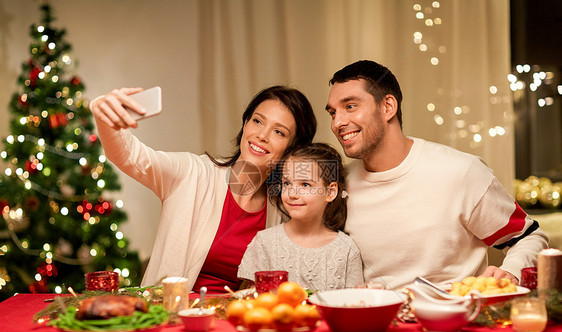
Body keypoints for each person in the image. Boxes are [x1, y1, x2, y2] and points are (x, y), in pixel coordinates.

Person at [324, 60, 549, 289]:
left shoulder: (461, 172)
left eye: (350, 106)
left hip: (454, 318)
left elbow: (529, 237)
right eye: (333, 113)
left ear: (388, 107)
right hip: (373, 318)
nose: (337, 122)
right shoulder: (337, 184)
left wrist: (510, 272)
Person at [90, 85, 317, 293]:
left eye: (279, 132)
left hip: (234, 325)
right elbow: (131, 156)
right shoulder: (192, 173)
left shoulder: (282, 210)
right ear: (245, 123)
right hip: (172, 318)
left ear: (292, 149)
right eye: (257, 121)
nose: (262, 135)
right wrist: (103, 115)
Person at [237, 143, 364, 291]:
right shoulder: (265, 242)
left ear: (330, 192)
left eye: (305, 184)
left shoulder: (346, 249)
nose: (292, 194)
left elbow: (355, 305)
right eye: (287, 183)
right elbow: (252, 303)